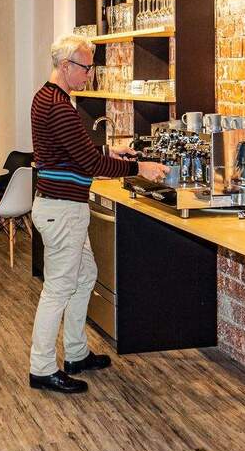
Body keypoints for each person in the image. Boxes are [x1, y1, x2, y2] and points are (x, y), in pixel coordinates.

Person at [28, 35, 169, 394]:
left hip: (60, 206)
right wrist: (139, 168)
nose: (89, 75)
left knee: (85, 273)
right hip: (62, 210)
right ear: (65, 66)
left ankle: (76, 353)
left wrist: (111, 149)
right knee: (58, 288)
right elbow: (89, 163)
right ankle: (42, 368)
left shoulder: (49, 98)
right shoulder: (59, 106)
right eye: (85, 67)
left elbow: (74, 151)